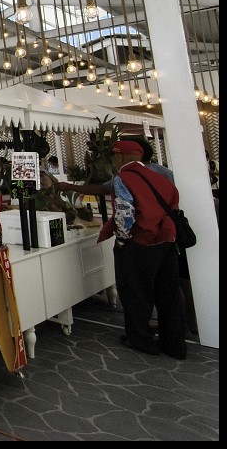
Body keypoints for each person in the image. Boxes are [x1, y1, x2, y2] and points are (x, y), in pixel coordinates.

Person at [99, 140, 187, 360]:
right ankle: (175, 343)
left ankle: (141, 339)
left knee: (136, 292)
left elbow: (124, 213)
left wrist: (121, 240)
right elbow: (173, 206)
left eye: (115, 156)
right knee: (169, 294)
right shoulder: (161, 178)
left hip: (140, 242)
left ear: (121, 157)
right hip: (166, 241)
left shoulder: (123, 179)